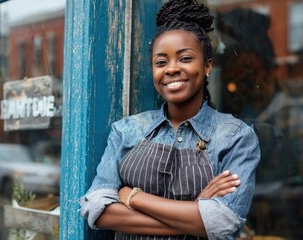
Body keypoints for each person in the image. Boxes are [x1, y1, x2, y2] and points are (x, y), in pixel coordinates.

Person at [79, 0, 260, 239]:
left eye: (185, 58)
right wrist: (196, 215)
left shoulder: (235, 137)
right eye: (161, 62)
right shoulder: (127, 130)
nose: (171, 69)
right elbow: (96, 210)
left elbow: (223, 220)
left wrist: (133, 197)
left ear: (207, 67)